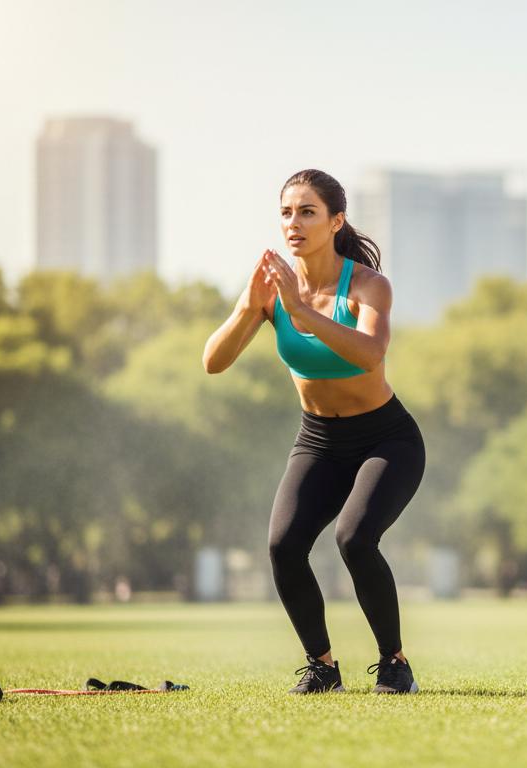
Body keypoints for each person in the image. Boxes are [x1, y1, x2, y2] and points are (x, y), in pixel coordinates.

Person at [203, 169, 424, 694]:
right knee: (283, 546)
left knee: (355, 538)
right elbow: (213, 361)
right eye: (286, 212)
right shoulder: (269, 291)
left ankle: (394, 663)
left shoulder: (368, 286)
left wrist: (301, 311)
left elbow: (371, 353)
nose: (294, 223)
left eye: (307, 212)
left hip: (385, 439)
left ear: (335, 220)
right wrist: (251, 306)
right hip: (319, 441)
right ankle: (322, 667)